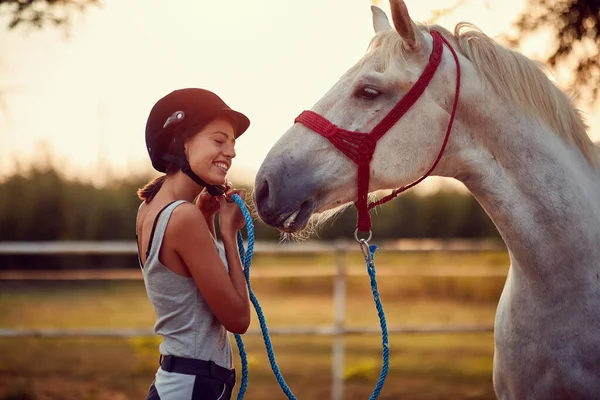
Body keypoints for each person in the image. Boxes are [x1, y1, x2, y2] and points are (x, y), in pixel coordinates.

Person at [135, 88, 252, 400]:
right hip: (194, 385)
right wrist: (229, 234)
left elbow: (189, 288)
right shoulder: (183, 217)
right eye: (219, 140)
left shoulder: (150, 209)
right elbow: (238, 319)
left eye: (233, 143)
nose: (231, 152)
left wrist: (208, 218)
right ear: (182, 142)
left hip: (179, 381)